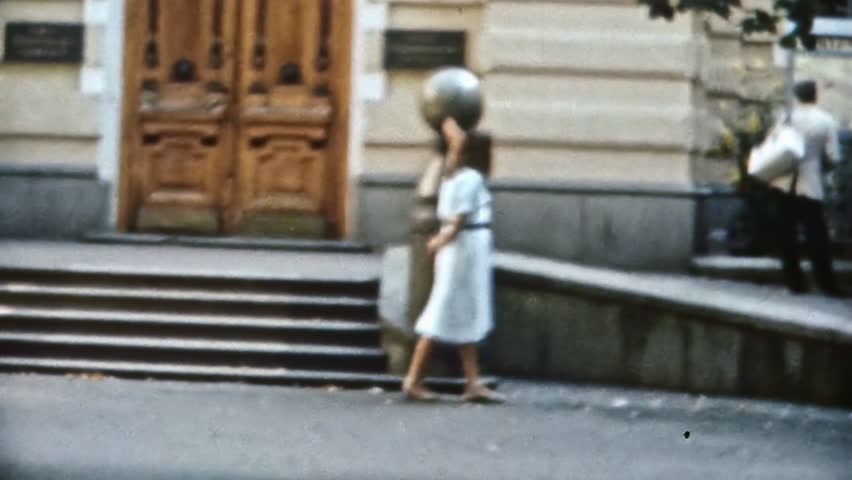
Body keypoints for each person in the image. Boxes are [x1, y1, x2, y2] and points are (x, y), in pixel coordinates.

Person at [401, 117, 504, 403]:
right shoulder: (471, 179)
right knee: (443, 310)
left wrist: (449, 124)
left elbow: (456, 145)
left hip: (461, 249)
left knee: (465, 312)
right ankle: (413, 379)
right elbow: (459, 221)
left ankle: (473, 382)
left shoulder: (451, 174)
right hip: (466, 249)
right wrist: (439, 241)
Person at [772, 80, 843, 296]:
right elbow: (834, 157)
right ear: (816, 95)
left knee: (786, 234)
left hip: (785, 183)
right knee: (816, 234)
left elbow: (774, 147)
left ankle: (794, 282)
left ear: (797, 96)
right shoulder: (826, 120)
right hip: (811, 183)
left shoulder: (786, 118)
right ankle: (826, 283)